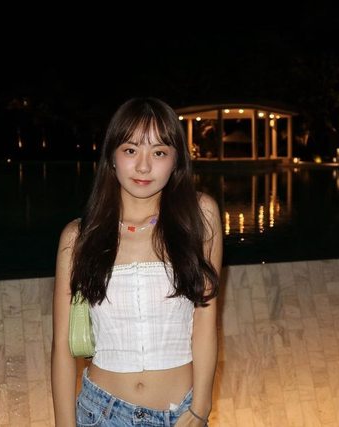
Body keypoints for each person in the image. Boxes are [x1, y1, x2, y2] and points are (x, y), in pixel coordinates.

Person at [51, 97, 222, 426]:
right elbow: (61, 347)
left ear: (176, 160)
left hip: (180, 412)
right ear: (112, 157)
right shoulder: (78, 237)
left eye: (159, 152)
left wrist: (201, 405)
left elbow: (205, 319)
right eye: (131, 150)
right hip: (101, 413)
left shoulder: (200, 217)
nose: (143, 167)